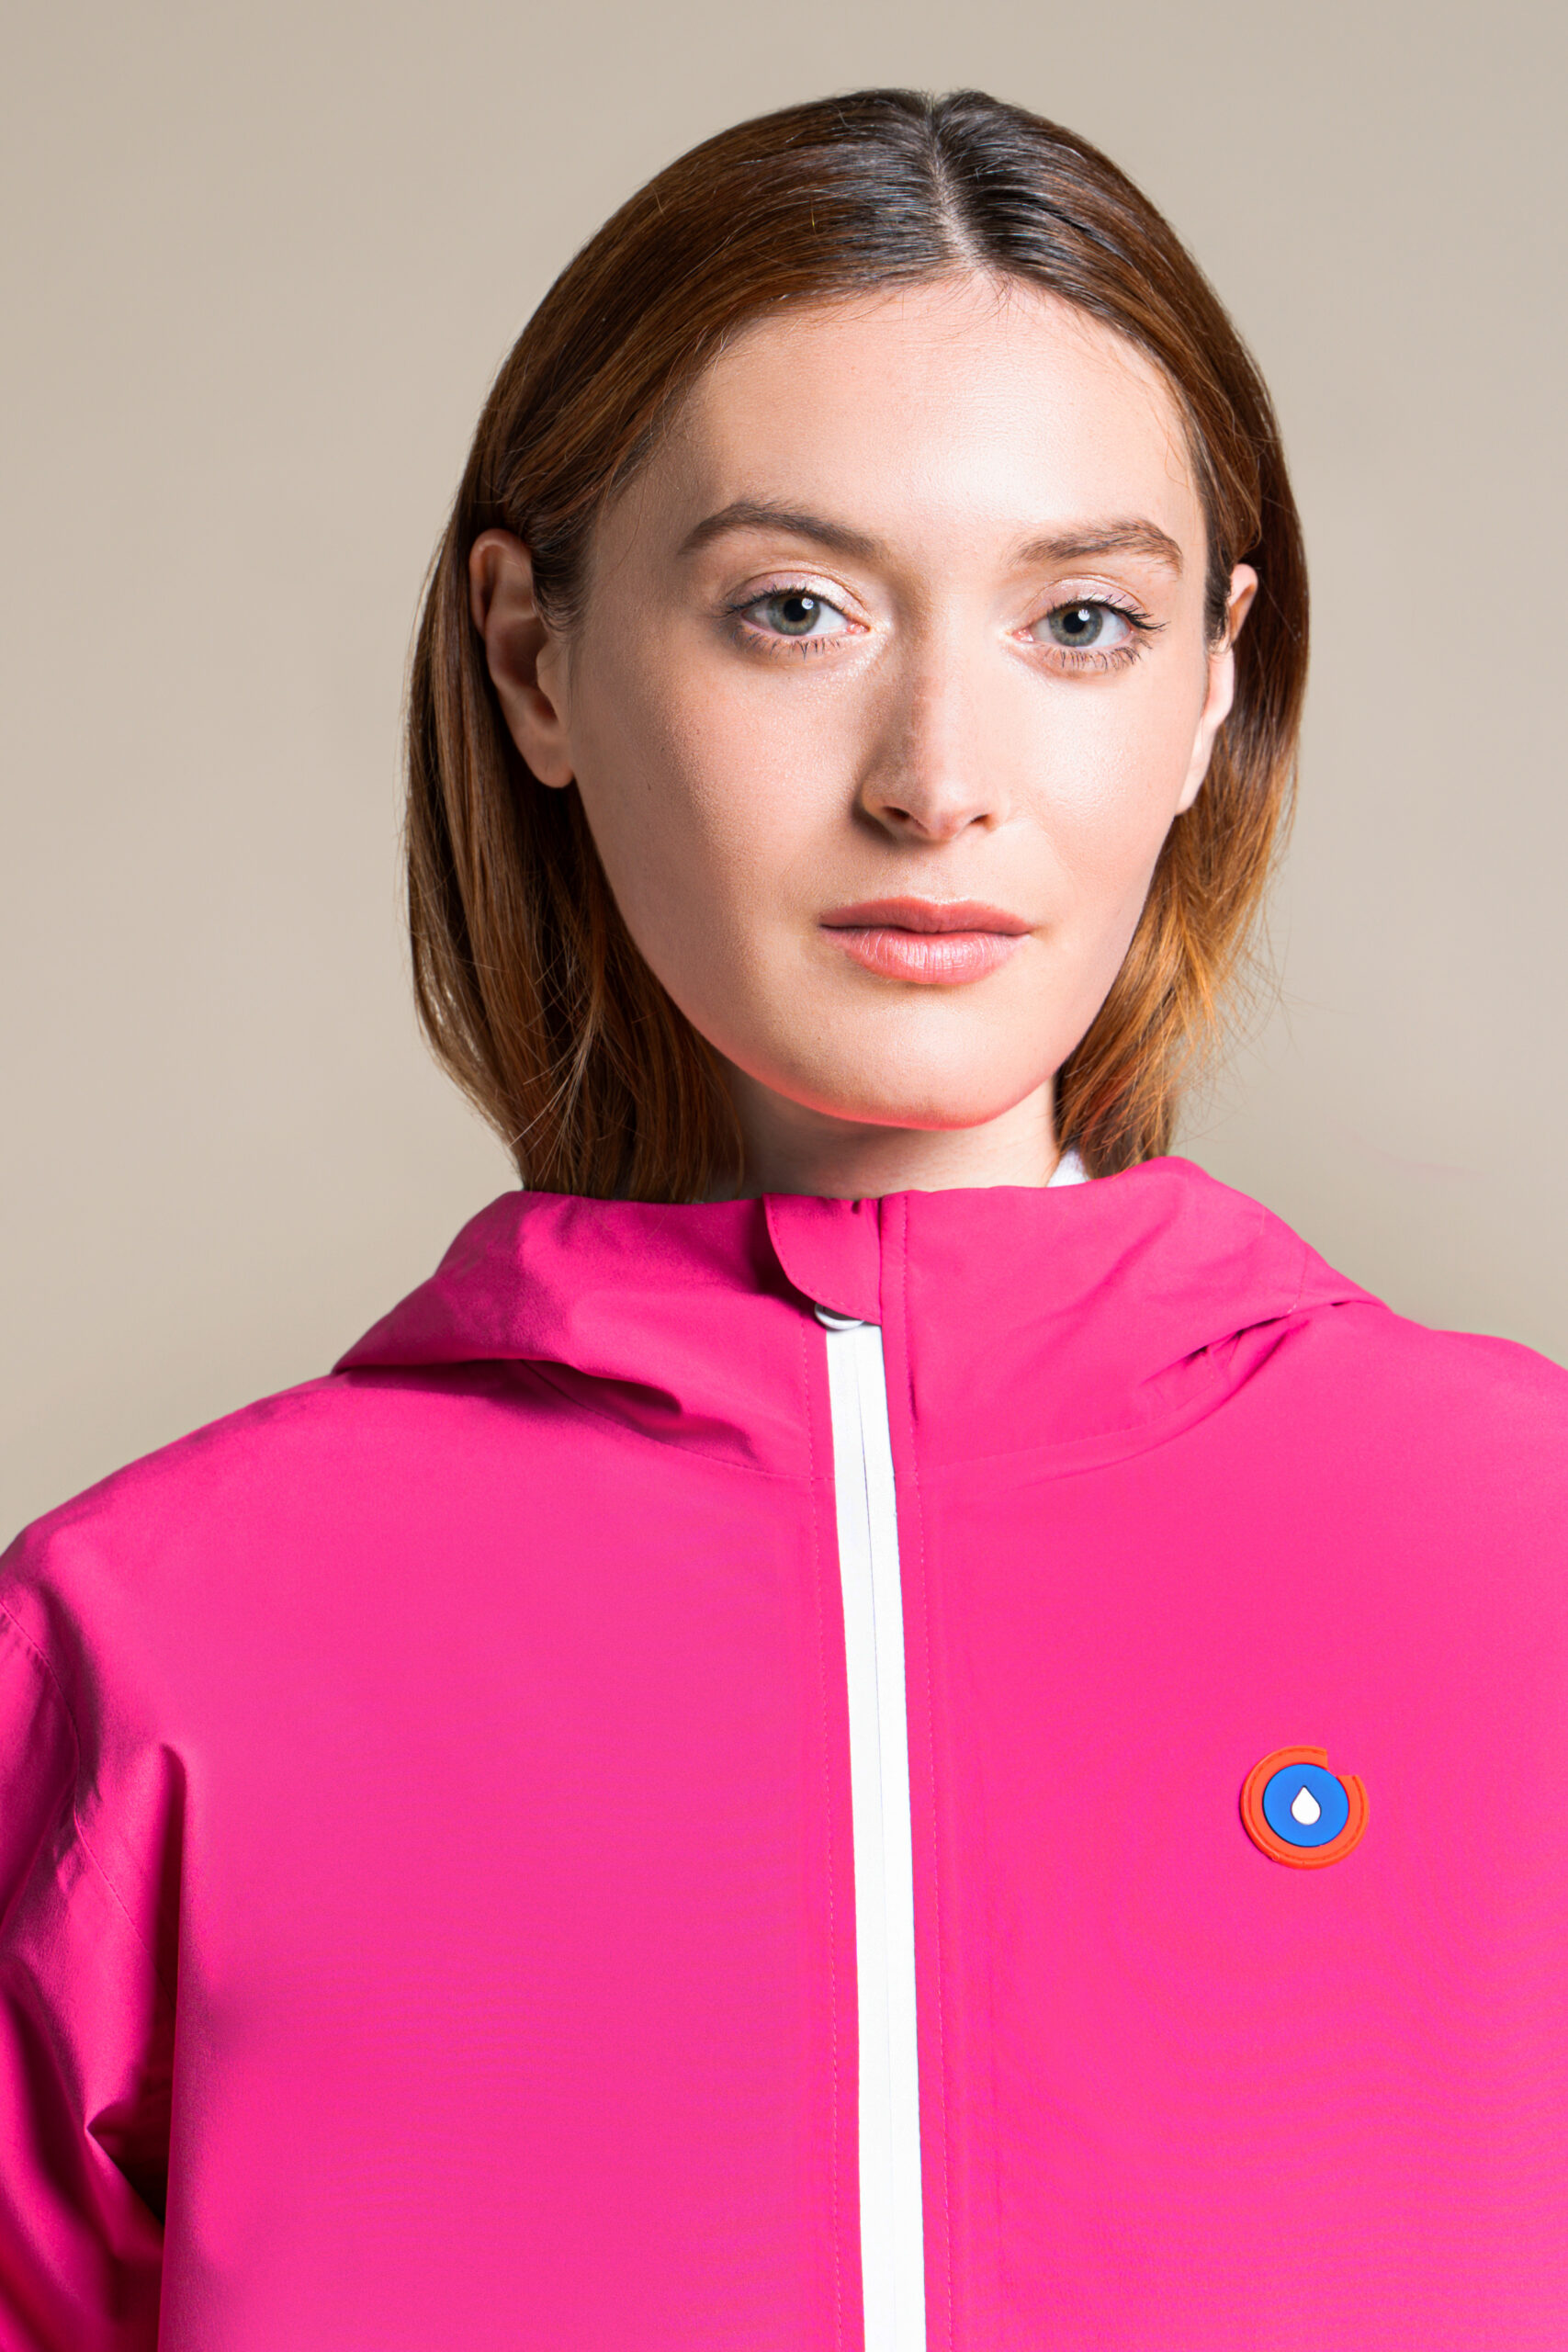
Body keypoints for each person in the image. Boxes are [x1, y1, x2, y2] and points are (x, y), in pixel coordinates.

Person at [1, 85, 1562, 2352]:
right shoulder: (139, 1650)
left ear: (1210, 681)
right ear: (533, 659)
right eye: (794, 609)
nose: (937, 776)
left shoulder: (1525, 1554)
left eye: (1080, 619)